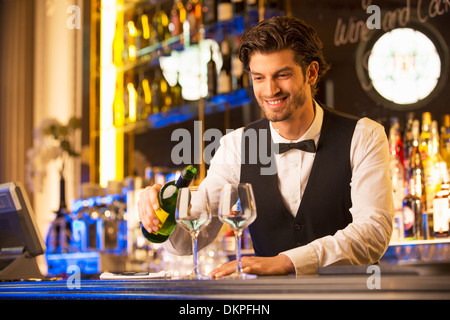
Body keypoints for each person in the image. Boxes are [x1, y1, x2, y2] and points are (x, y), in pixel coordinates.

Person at [138, 16, 394, 277]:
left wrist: (287, 261)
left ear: (311, 72)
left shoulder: (364, 136)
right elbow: (188, 239)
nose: (270, 90)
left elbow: (373, 233)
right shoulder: (237, 145)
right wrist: (159, 214)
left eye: (282, 75)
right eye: (259, 78)